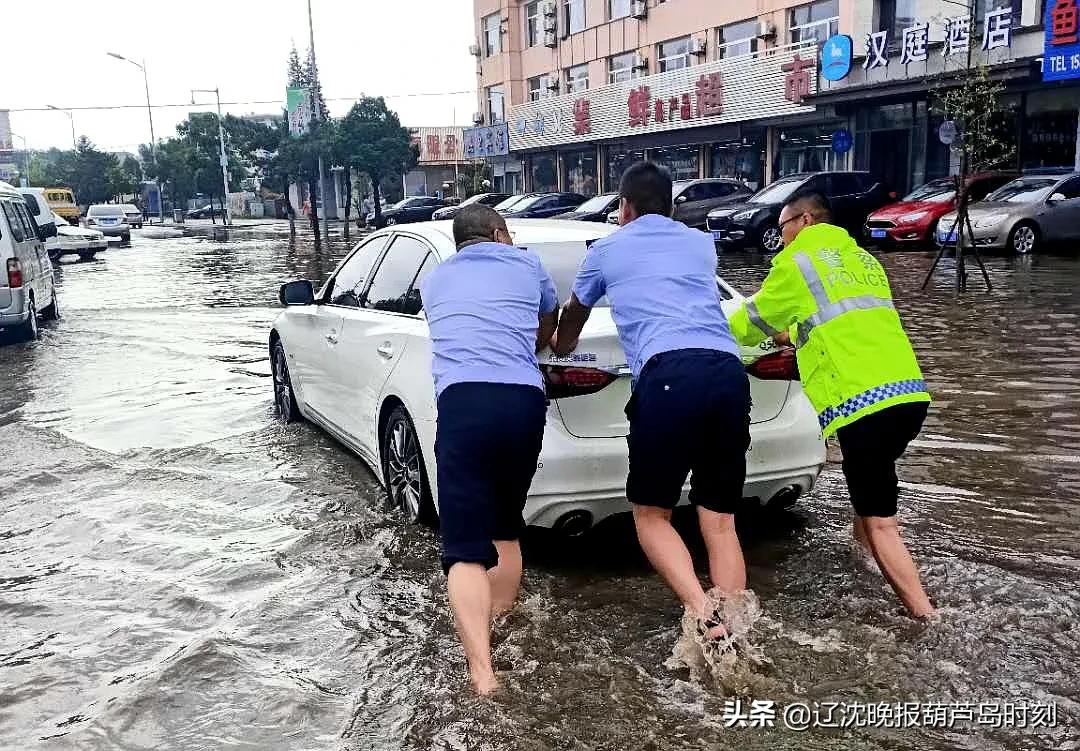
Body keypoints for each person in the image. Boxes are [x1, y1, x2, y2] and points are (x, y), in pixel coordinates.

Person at [551, 161, 751, 643]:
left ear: (624, 207)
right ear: (672, 205)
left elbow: (570, 325)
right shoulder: (701, 244)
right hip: (728, 372)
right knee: (721, 521)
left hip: (668, 377)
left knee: (651, 514)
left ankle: (704, 615)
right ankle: (737, 632)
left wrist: (559, 346)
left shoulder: (605, 249)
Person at [727, 191, 935, 618]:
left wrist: (705, 327)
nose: (779, 237)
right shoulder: (862, 259)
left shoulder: (798, 261)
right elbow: (839, 320)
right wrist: (793, 333)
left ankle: (924, 617)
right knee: (873, 495)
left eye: (782, 226)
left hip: (863, 404)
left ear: (803, 220)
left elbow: (750, 324)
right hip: (908, 395)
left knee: (882, 522)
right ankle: (864, 564)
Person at [419, 205, 559, 695]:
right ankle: (503, 624)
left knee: (463, 546)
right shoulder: (527, 264)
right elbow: (549, 316)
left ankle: (482, 671)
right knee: (505, 527)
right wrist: (540, 341)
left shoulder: (434, 280)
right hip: (523, 400)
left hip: (464, 403)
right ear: (500, 234)